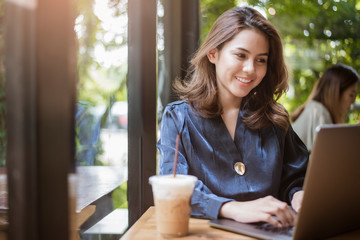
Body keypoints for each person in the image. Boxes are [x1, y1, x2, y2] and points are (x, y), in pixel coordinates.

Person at [157, 6, 308, 228]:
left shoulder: (276, 119)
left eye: (261, 60)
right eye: (240, 55)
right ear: (213, 54)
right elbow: (172, 188)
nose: (250, 69)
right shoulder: (178, 117)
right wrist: (232, 208)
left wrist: (300, 196)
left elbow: (296, 179)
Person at [291, 63, 359, 152]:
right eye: (351, 95)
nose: (353, 101)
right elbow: (329, 159)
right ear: (336, 92)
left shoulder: (315, 109)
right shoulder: (319, 112)